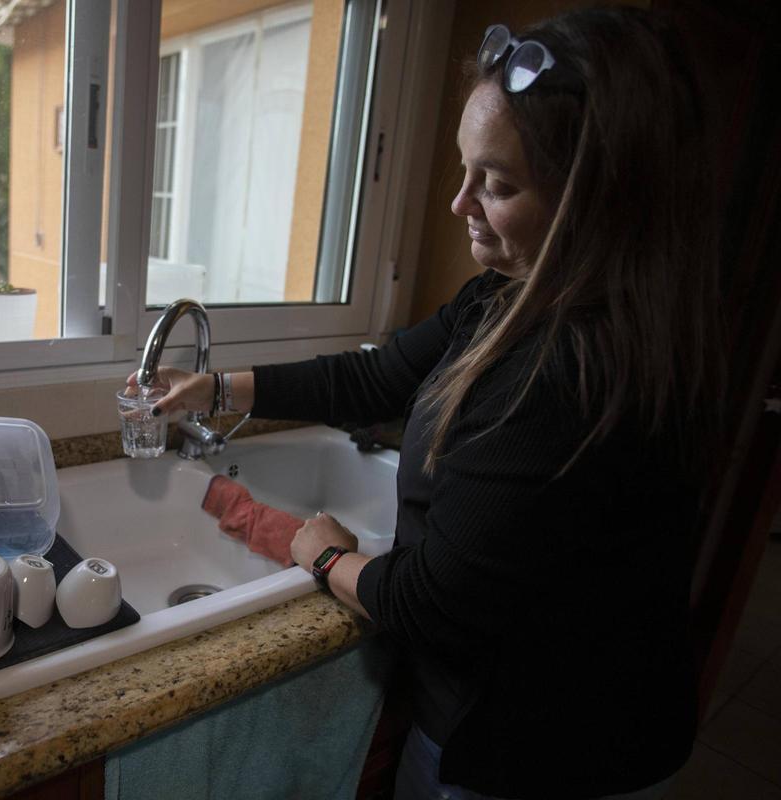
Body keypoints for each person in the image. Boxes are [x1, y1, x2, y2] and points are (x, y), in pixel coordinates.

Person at [131, 6, 725, 799]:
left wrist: (326, 553)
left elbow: (429, 606)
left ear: (601, 199)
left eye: (499, 183)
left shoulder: (563, 374)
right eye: (465, 168)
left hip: (541, 755)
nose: (459, 203)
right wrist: (215, 387)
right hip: (597, 724)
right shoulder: (508, 301)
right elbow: (374, 377)